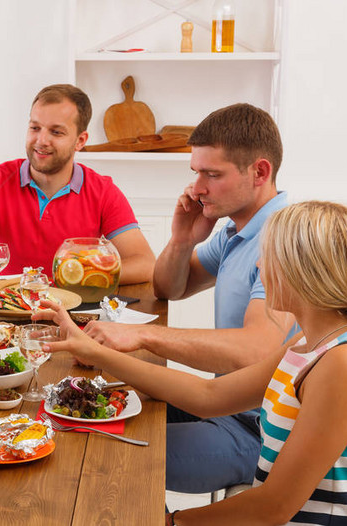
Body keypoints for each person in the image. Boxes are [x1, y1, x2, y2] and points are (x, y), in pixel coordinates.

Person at [36, 201, 347, 525]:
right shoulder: (304, 345)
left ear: (305, 271)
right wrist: (97, 352)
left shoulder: (341, 364)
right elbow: (209, 394)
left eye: (270, 257)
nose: (259, 265)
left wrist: (172, 521)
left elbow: (272, 508)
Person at [83, 103, 296, 494]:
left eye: (212, 175)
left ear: (260, 172)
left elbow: (254, 350)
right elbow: (168, 288)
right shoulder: (237, 229)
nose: (197, 188)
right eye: (196, 172)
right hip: (226, 406)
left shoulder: (284, 240)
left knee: (109, 456)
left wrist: (142, 337)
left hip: (262, 434)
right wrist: (182, 238)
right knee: (88, 410)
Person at [0, 83, 155, 284]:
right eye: (35, 128)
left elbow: (144, 264)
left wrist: (79, 275)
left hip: (73, 318)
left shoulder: (103, 192)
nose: (41, 140)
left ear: (80, 141)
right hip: (3, 315)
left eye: (56, 132)